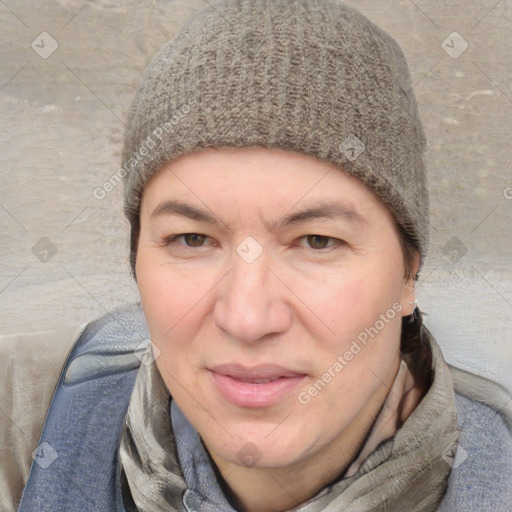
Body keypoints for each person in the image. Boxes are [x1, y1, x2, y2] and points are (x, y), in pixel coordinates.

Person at [1, 0, 511, 511]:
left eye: (317, 241)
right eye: (192, 240)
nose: (246, 318)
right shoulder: (27, 427)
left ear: (408, 275)